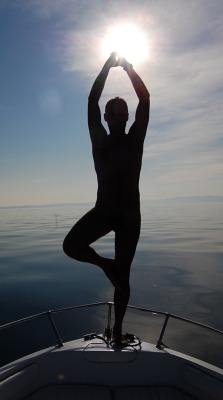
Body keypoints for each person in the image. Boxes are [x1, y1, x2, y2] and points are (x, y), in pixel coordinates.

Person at [63, 53, 150, 346]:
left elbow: (145, 99)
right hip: (104, 210)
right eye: (113, 111)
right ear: (106, 117)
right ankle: (105, 265)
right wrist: (105, 66)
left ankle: (117, 331)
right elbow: (91, 101)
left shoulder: (135, 139)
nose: (118, 115)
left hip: (129, 216)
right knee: (71, 246)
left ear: (127, 117)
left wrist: (128, 68)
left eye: (122, 111)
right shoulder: (100, 140)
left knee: (123, 279)